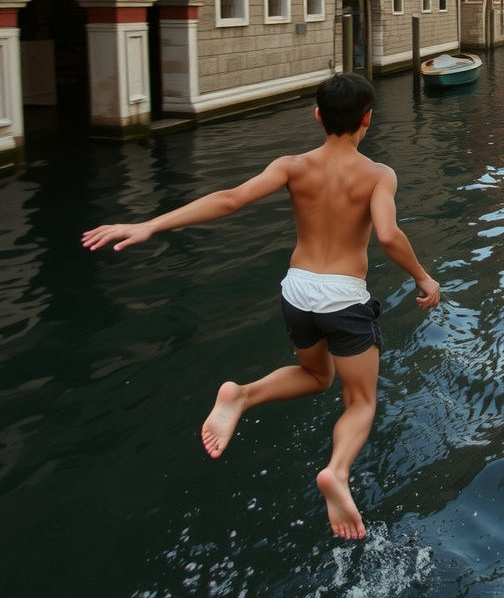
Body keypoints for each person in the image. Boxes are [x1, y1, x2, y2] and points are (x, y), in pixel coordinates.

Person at [82, 73, 440, 541]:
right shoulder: (378, 174)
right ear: (367, 119)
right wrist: (422, 276)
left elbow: (229, 200)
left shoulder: (291, 165)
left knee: (317, 376)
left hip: (296, 291)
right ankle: (337, 471)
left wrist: (150, 224)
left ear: (317, 116)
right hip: (343, 298)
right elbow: (389, 236)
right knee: (359, 400)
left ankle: (241, 395)